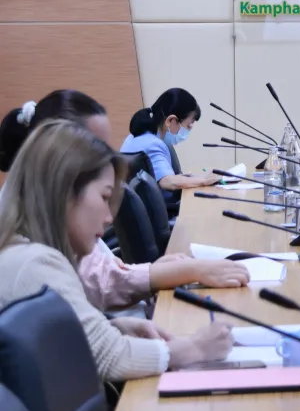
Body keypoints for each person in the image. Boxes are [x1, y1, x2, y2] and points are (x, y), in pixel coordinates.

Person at [0, 120, 232, 381]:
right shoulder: (35, 262)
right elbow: (108, 358)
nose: (109, 218)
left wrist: (112, 327)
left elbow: (56, 342)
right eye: (104, 197)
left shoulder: (22, 250)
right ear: (64, 192)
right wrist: (195, 348)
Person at [0, 90, 250, 313]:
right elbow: (94, 299)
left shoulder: (59, 207)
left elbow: (102, 276)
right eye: (92, 147)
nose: (104, 157)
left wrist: (158, 273)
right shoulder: (29, 246)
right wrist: (180, 272)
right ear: (54, 155)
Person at [122, 88, 219, 201]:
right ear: (171, 121)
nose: (189, 130)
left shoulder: (133, 137)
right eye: (188, 126)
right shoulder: (154, 144)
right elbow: (167, 182)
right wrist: (204, 181)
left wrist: (192, 178)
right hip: (165, 209)